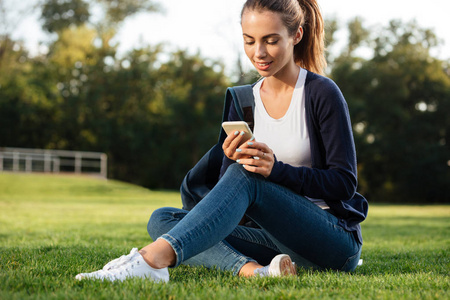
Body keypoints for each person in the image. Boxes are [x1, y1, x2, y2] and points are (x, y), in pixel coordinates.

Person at [75, 0, 368, 282]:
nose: (259, 52)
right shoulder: (243, 100)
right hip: (274, 243)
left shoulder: (321, 93)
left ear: (296, 35)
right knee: (163, 219)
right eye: (249, 40)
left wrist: (276, 171)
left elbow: (344, 183)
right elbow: (233, 200)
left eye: (271, 40)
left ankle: (150, 261)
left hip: (332, 242)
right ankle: (255, 271)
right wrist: (231, 160)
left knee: (246, 176)